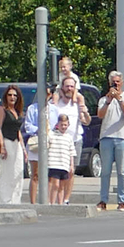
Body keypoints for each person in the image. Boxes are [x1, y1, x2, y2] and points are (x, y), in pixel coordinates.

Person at [94, 70, 124, 209]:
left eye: (118, 82)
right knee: (105, 172)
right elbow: (100, 115)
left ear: (122, 83)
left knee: (122, 171)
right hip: (106, 137)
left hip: (123, 138)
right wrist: (109, 100)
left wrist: (119, 99)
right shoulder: (103, 99)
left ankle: (122, 200)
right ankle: (103, 200)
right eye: (113, 82)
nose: (116, 84)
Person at [41, 77, 85, 205]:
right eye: (67, 86)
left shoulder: (78, 103)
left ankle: (65, 200)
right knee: (53, 179)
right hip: (56, 144)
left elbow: (86, 121)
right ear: (62, 88)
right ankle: (50, 201)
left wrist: (84, 111)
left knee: (70, 173)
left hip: (73, 140)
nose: (69, 89)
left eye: (72, 86)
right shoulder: (55, 103)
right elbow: (47, 118)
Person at [0, 84, 28, 204]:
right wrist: (2, 146)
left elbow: (18, 130)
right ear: (6, 96)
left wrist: (23, 149)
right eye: (10, 95)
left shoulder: (17, 112)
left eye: (15, 95)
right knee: (6, 173)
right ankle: (4, 200)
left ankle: (15, 200)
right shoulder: (2, 109)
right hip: (6, 141)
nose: (12, 97)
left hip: (16, 143)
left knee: (18, 173)